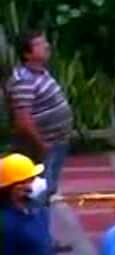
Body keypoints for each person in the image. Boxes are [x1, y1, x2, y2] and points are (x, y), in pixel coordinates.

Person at [6, 30, 73, 215]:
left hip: (55, 142)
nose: (47, 46)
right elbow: (23, 121)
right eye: (40, 44)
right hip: (41, 146)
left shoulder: (40, 73)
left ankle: (44, 236)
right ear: (27, 53)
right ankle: (37, 238)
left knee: (47, 189)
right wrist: (41, 145)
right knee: (37, 192)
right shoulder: (23, 80)